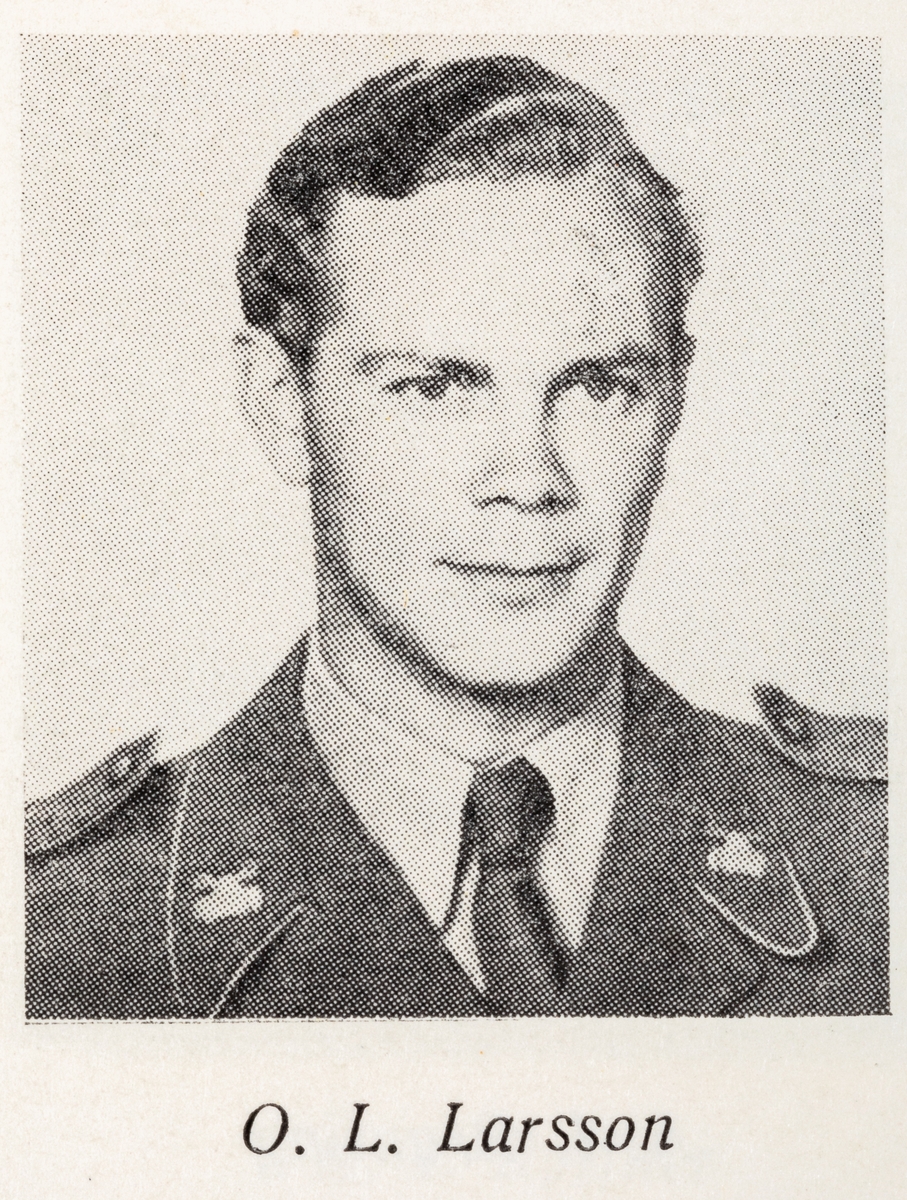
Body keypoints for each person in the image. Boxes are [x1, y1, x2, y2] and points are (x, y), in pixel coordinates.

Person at [25, 56, 887, 1020]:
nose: (529, 479)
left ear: (673, 399)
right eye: (436, 388)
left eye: (598, 386)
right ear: (281, 405)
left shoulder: (866, 862)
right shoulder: (61, 929)